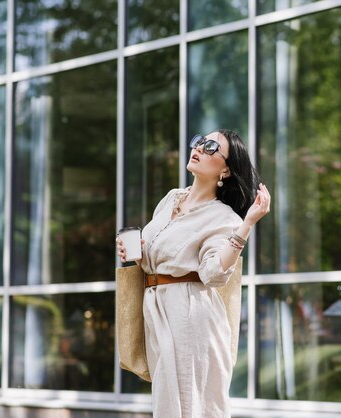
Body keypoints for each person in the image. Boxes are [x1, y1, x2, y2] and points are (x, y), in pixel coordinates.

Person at [116, 129, 271, 418]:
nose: (199, 148)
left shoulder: (224, 218)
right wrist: (136, 254)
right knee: (168, 404)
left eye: (211, 147)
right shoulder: (172, 199)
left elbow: (213, 274)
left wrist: (247, 224)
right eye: (200, 141)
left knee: (188, 406)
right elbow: (158, 253)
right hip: (159, 310)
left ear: (225, 168)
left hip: (190, 316)